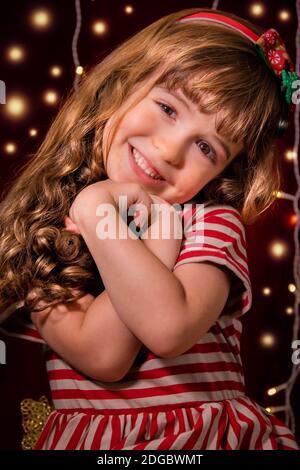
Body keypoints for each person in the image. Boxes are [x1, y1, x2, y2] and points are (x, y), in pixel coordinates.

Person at [0, 7, 299, 450]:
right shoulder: (45, 234)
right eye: (167, 107)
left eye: (205, 147)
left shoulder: (211, 223)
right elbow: (104, 355)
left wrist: (107, 214)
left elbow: (168, 326)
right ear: (120, 85)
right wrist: (99, 209)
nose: (170, 150)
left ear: (223, 172)